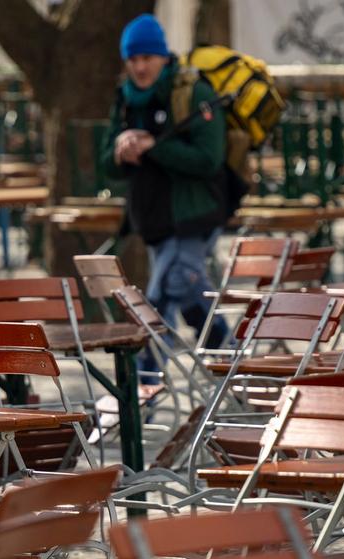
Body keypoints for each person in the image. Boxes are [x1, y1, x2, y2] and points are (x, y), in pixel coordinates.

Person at [102, 13, 230, 379]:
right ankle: (232, 362)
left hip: (194, 213)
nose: (140, 66)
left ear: (163, 57)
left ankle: (145, 382)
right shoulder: (125, 99)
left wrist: (154, 147)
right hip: (153, 218)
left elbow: (209, 160)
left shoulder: (193, 93)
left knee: (160, 295)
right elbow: (104, 165)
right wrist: (119, 151)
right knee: (186, 290)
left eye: (147, 57)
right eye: (133, 59)